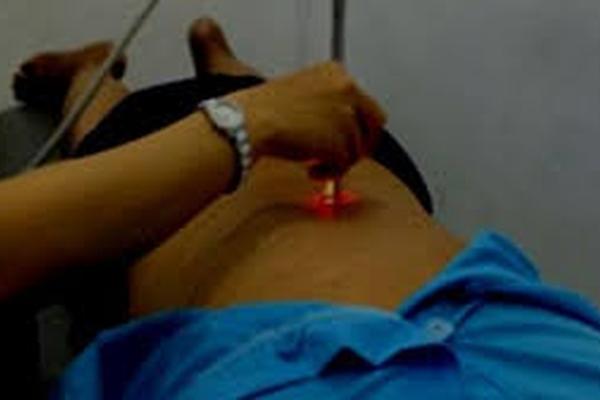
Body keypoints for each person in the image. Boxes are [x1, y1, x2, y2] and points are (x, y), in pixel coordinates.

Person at [4, 18, 600, 399]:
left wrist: (246, 124)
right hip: (400, 205)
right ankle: (225, 64)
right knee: (287, 106)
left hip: (173, 189)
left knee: (110, 126)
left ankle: (93, 70)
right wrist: (253, 119)